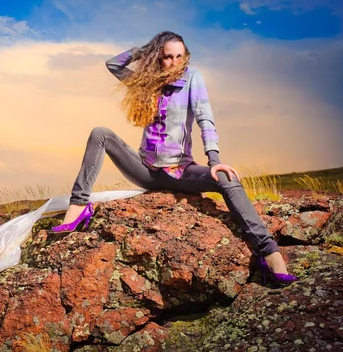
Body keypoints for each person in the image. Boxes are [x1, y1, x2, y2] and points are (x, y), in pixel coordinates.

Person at [50, 31, 298, 287]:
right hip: (146, 171)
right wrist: (143, 51)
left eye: (179, 56)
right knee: (100, 133)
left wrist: (214, 160)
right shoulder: (146, 81)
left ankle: (269, 253)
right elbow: (113, 64)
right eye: (167, 57)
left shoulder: (192, 78)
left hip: (181, 172)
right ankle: (79, 208)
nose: (174, 62)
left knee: (227, 178)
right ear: (158, 57)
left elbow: (205, 119)